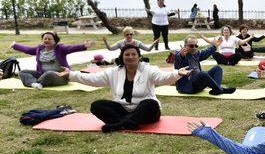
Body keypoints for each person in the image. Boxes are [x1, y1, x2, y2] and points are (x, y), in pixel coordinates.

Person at [59, 44, 190, 132]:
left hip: (145, 112)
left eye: (134, 54)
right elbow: (93, 79)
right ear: (122, 57)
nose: (130, 57)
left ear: (139, 57)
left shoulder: (148, 70)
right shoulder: (114, 72)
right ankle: (128, 123)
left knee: (150, 103)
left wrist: (177, 73)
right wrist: (71, 74)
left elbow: (163, 78)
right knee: (96, 105)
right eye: (127, 54)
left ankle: (119, 125)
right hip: (124, 110)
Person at [10, 32, 95, 89]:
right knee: (22, 72)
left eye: (49, 39)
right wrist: (15, 45)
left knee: (49, 73)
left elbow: (71, 48)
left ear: (55, 41)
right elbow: (28, 49)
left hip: (61, 76)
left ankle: (34, 82)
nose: (46, 40)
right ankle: (35, 84)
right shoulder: (39, 49)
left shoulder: (60, 48)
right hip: (42, 75)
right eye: (45, 38)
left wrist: (84, 46)